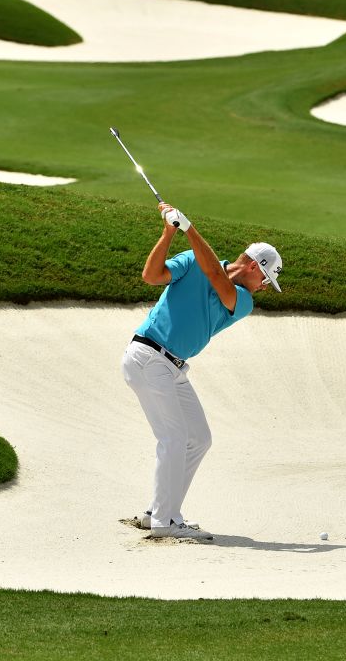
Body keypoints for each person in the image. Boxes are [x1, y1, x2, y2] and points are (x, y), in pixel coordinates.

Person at [121, 202, 283, 541]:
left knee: (199, 438)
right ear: (254, 265)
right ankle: (164, 522)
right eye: (265, 278)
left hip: (173, 368)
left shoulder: (243, 299)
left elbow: (216, 278)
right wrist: (169, 234)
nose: (265, 287)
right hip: (149, 357)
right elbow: (151, 276)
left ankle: (160, 512)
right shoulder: (192, 261)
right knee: (175, 437)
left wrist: (189, 229)